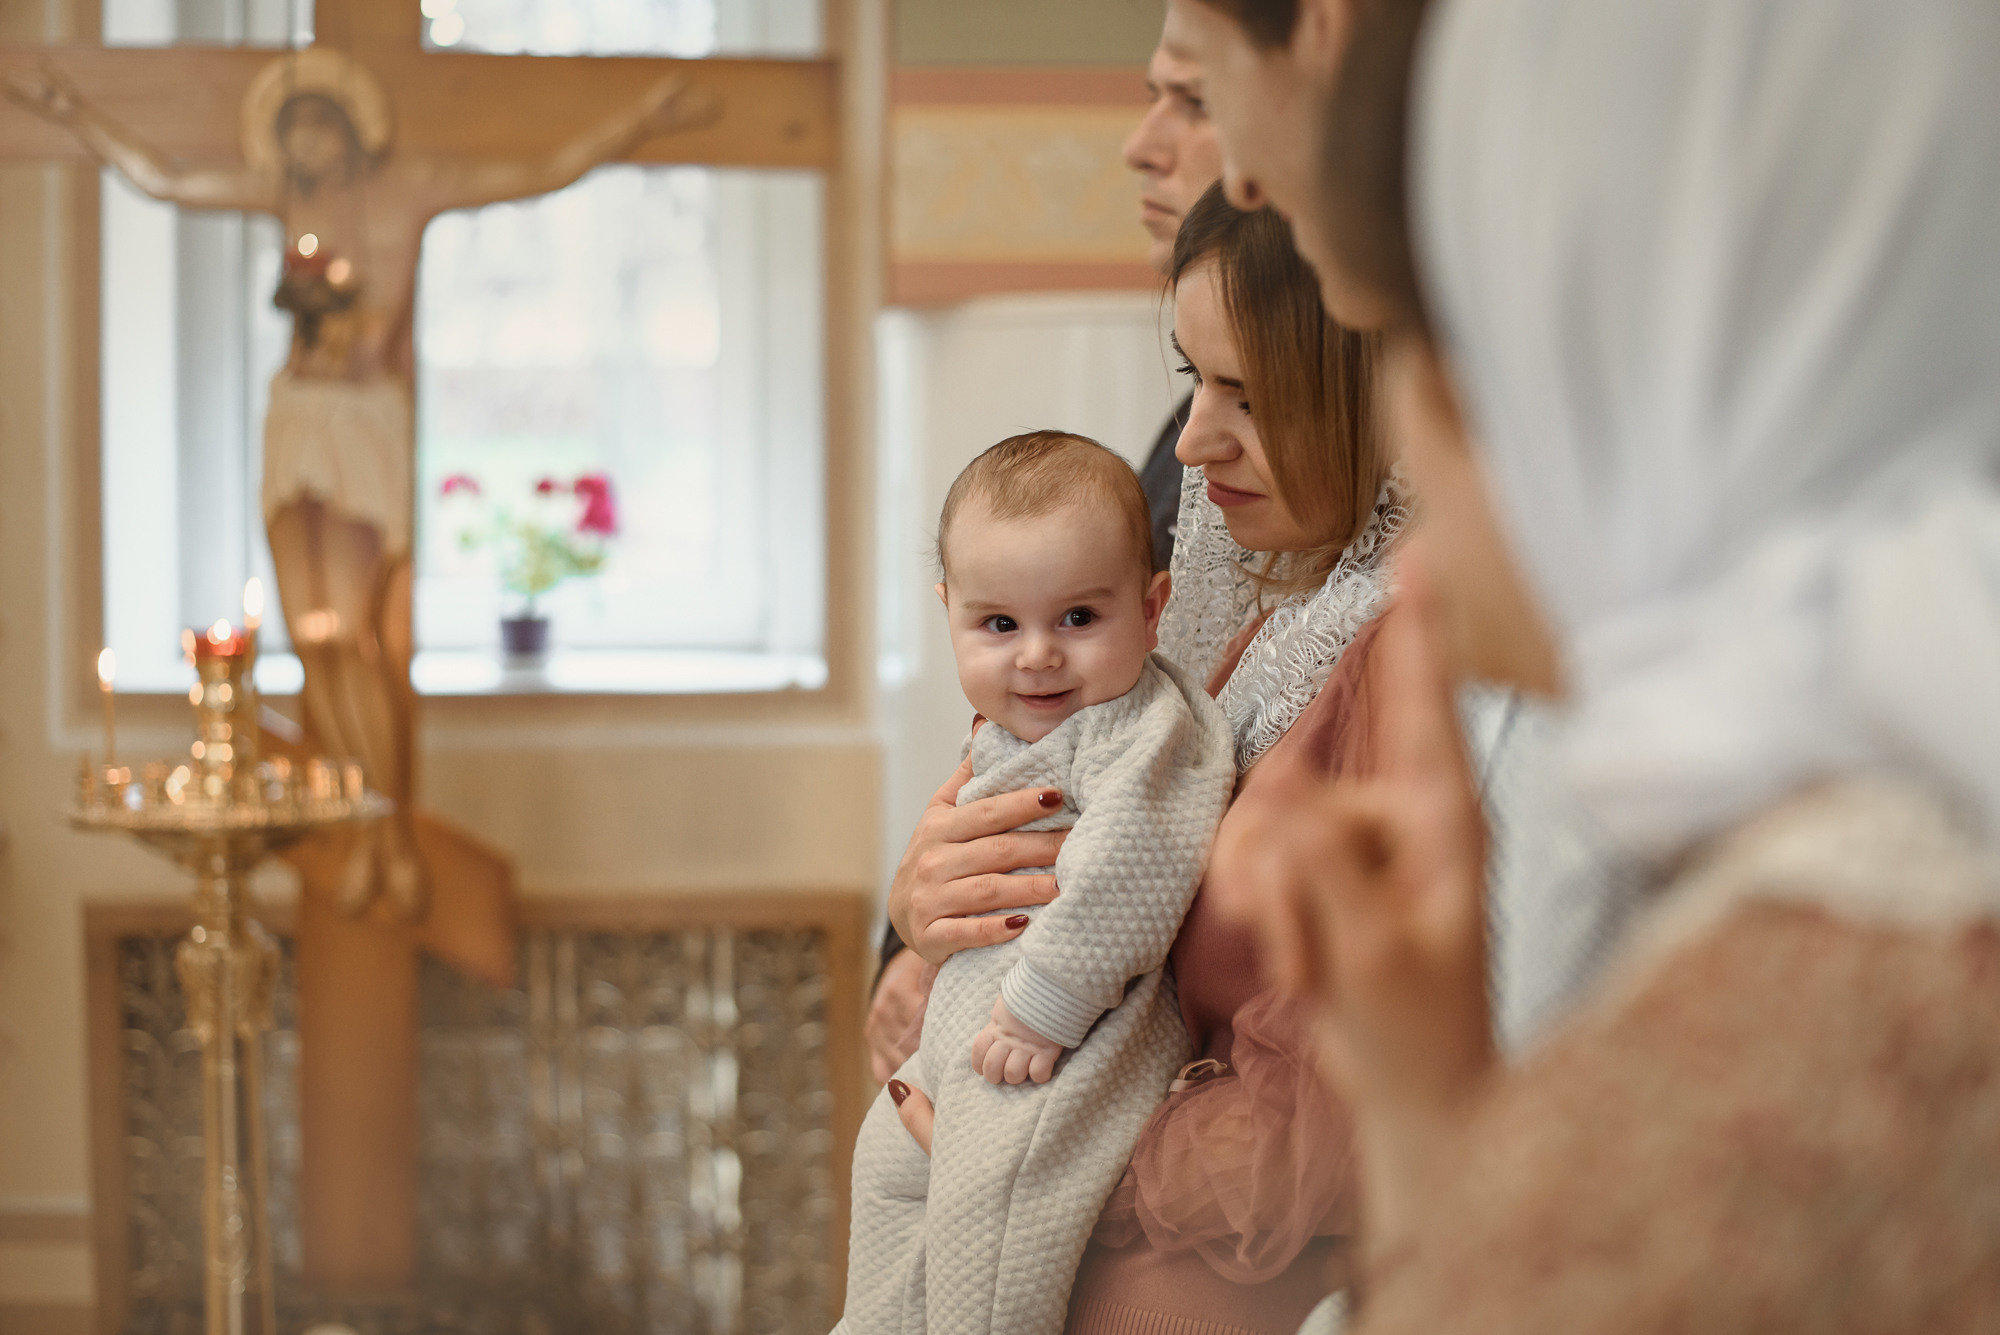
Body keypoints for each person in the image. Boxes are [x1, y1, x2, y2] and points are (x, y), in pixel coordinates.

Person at [1216, 0, 2000, 1327]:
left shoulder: (1723, 1121)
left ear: (1565, 380)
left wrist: (1466, 1159)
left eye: (1422, 348)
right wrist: (1430, 1110)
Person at [6, 50, 709, 913]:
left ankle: (385, 829)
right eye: (289, 126)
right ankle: (367, 828)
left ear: (347, 127)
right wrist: (77, 116)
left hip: (363, 426)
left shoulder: (412, 186)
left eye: (316, 122)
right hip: (296, 419)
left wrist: (634, 124)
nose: (302, 143)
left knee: (355, 641)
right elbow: (169, 181)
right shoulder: (286, 200)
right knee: (311, 641)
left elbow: (534, 171)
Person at [888, 186, 1401, 1335]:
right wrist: (929, 908)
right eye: (1192, 381)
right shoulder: (1260, 623)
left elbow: (1337, 1099)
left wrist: (1031, 1157)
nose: (1193, 441)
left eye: (1250, 396)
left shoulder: (1398, 657)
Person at [864, 28, 1233, 1082]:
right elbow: (1038, 741)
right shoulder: (1183, 438)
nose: (1139, 145)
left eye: (1192, 102)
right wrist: (915, 931)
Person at [840, 433, 1237, 1334]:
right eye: (999, 626)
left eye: (1077, 620)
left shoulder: (1143, 726)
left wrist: (1045, 1003)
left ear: (1151, 604)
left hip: (1066, 1039)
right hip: (971, 1029)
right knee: (883, 1170)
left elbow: (1136, 861)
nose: (1037, 657)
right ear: (948, 613)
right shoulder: (1009, 727)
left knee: (993, 1229)